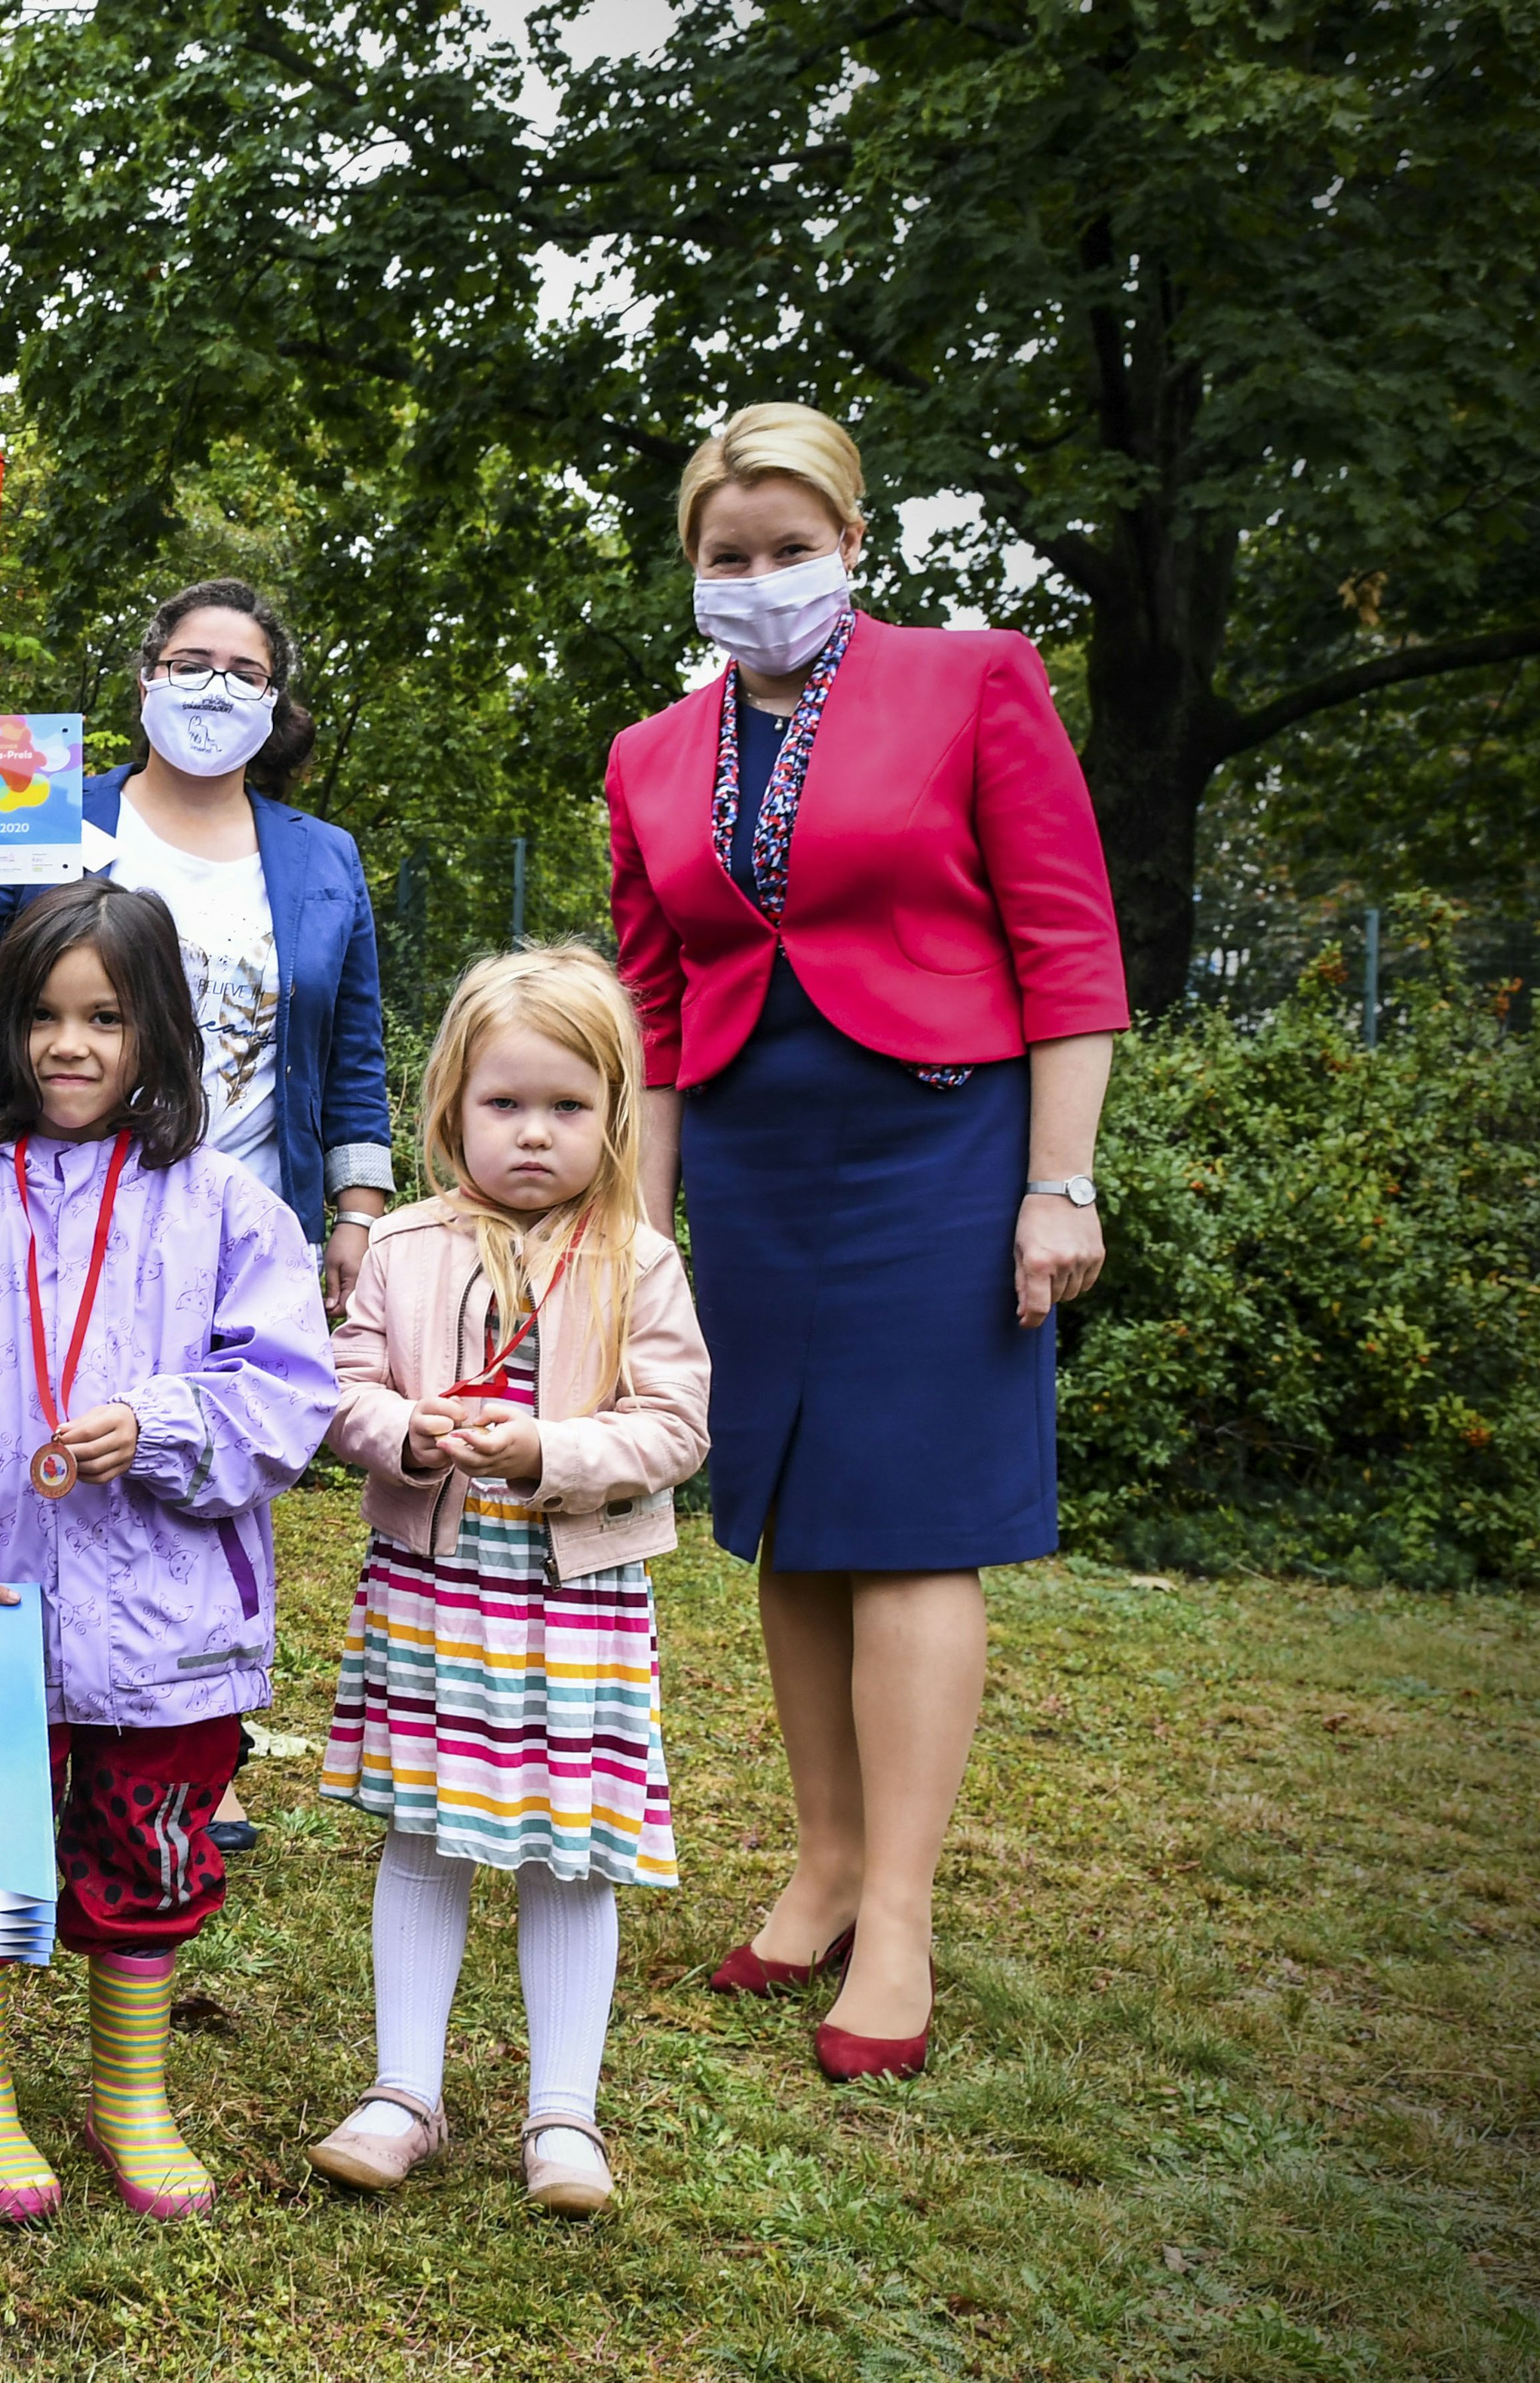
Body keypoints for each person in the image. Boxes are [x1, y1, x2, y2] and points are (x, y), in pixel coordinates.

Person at [606, 402, 1127, 2082]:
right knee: (786, 1512)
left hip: (939, 1139)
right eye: (724, 556)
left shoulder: (970, 679)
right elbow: (651, 1003)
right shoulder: (645, 755)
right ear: (690, 568)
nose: (756, 578)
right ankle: (819, 1859)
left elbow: (1065, 941)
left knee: (906, 1520)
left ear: (849, 543)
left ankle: (893, 1908)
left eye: (786, 548)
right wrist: (634, 1225)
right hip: (749, 1155)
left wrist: (1058, 1181)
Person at [0, 880, 339, 2226]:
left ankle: (126, 2095)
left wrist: (165, 1425)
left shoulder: (227, 1204)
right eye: (44, 1018)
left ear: (156, 1032)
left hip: (169, 1629)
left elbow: (290, 1396)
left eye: (104, 1019)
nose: (70, 1047)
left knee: (153, 1856)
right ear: (5, 1030)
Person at [307, 946, 709, 2216]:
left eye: (565, 1108)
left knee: (567, 1855)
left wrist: (551, 1452)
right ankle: (399, 2093)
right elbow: (337, 1391)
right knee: (421, 1833)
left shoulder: (639, 1260)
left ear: (614, 1113)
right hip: (434, 1593)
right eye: (502, 1105)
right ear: (449, 1110)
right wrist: (400, 1432)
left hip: (570, 1604)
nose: (532, 1134)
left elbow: (673, 1429)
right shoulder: (404, 1247)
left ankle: (562, 2119)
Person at [0, 577, 393, 1313]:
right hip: (60, 1228)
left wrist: (358, 1214)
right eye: (190, 664)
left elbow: (352, 1056)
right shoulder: (50, 810)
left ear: (270, 701)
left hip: (247, 1239)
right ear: (147, 682)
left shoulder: (326, 857)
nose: (215, 687)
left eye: (244, 674)